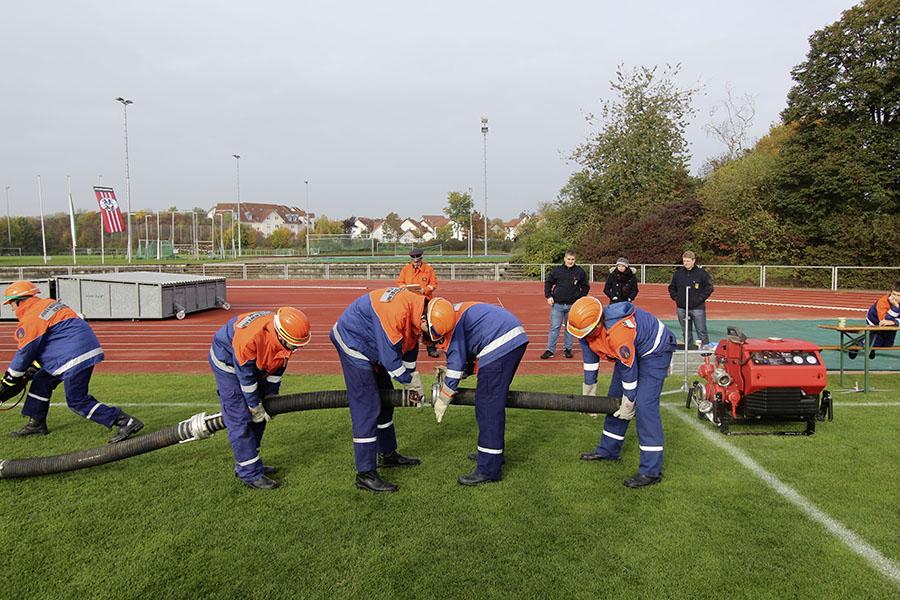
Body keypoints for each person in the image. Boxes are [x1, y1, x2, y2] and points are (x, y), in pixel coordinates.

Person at [331, 287, 456, 493]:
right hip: (354, 343)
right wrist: (409, 382)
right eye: (429, 334)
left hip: (373, 345)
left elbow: (408, 348)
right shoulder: (396, 312)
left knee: (386, 404)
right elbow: (391, 361)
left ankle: (387, 454)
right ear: (425, 321)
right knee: (368, 406)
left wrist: (412, 377)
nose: (428, 340)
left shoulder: (417, 308)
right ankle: (365, 474)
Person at [0, 280, 143, 443]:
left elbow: (25, 352)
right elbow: (55, 338)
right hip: (79, 349)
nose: (12, 308)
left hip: (74, 356)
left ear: (19, 301)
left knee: (77, 400)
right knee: (42, 380)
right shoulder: (48, 304)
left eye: (11, 304)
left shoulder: (31, 316)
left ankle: (125, 421)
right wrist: (36, 366)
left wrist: (8, 381)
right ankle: (36, 423)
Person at [567, 296, 676, 488]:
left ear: (598, 324)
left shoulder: (618, 333)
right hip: (631, 352)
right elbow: (590, 361)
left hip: (655, 351)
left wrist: (629, 401)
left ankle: (650, 472)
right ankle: (608, 450)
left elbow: (629, 369)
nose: (582, 336)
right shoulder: (585, 331)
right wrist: (589, 392)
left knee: (644, 406)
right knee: (614, 400)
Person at [209, 306, 311, 490]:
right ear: (280, 335)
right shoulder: (250, 339)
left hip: (252, 362)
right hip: (229, 363)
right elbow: (245, 377)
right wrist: (254, 404)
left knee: (263, 412)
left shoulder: (284, 335)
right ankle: (249, 473)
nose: (295, 349)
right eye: (293, 345)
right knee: (240, 416)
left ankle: (249, 462)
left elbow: (276, 370)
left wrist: (271, 398)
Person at [432, 302, 528, 486]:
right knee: (489, 404)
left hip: (500, 342)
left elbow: (455, 366)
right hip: (508, 336)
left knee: (488, 406)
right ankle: (491, 454)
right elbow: (464, 356)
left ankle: (489, 468)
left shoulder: (446, 324)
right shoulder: (450, 313)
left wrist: (443, 399)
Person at [541, 250, 590, 359]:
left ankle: (568, 349)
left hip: (573, 305)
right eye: (568, 259)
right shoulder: (557, 270)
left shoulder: (579, 271)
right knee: (555, 327)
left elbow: (585, 286)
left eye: (572, 259)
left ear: (575, 260)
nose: (570, 261)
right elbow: (548, 282)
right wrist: (548, 296)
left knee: (570, 329)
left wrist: (580, 298)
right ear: (564, 259)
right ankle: (550, 350)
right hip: (557, 304)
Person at [397, 248, 440, 358]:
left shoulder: (428, 269)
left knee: (427, 324)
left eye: (418, 260)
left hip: (424, 300)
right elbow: (400, 282)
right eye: (413, 260)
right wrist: (404, 288)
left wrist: (424, 290)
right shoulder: (406, 269)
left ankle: (431, 347)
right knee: (407, 324)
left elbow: (433, 284)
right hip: (409, 302)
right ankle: (407, 347)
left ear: (421, 259)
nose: (416, 262)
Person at [667, 250, 714, 349]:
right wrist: (676, 298)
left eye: (688, 261)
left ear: (693, 261)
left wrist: (700, 299)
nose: (686, 263)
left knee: (701, 330)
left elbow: (709, 287)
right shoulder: (678, 273)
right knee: (686, 331)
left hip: (698, 308)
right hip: (682, 308)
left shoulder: (702, 273)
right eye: (684, 261)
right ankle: (689, 349)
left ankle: (705, 352)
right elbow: (671, 287)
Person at [851, 282, 900, 360]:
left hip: (891, 322)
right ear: (890, 293)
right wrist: (895, 307)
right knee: (877, 337)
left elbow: (890, 322)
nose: (896, 298)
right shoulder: (882, 302)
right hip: (874, 320)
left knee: (888, 344)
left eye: (898, 295)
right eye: (894, 294)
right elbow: (884, 321)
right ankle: (857, 345)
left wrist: (894, 322)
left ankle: (872, 347)